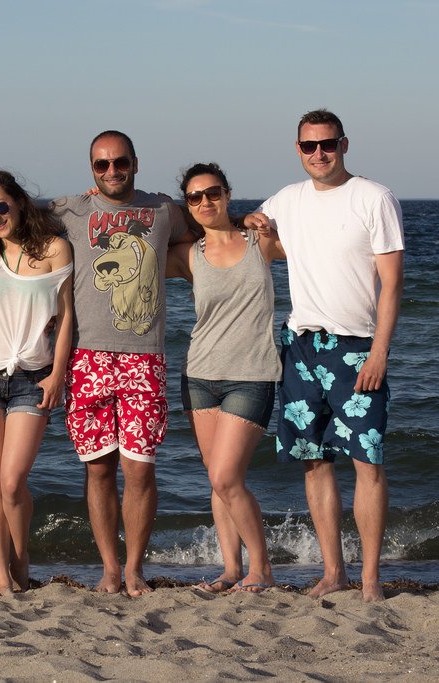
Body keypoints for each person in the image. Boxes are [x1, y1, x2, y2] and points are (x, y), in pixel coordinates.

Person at [245, 109, 404, 602]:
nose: (320, 154)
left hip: (357, 347)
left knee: (366, 461)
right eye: (310, 146)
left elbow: (393, 285)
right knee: (313, 461)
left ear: (345, 144)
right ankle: (334, 572)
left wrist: (379, 352)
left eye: (328, 144)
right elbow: (270, 249)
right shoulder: (287, 200)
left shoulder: (373, 198)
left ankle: (371, 579)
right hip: (301, 345)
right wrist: (253, 225)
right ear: (298, 149)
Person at [51, 130, 194, 596]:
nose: (111, 171)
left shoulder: (162, 210)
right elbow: (10, 223)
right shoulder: (70, 210)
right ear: (91, 169)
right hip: (86, 358)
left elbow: (209, 234)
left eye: (119, 163)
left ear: (135, 163)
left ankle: (134, 569)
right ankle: (110, 569)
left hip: (144, 358)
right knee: (98, 469)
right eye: (101, 165)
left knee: (140, 469)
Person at [165, 163, 284, 594]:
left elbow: (316, 252)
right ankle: (231, 570)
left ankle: (263, 568)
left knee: (226, 477)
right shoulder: (188, 254)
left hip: (252, 375)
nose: (204, 202)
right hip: (199, 374)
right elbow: (133, 255)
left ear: (228, 194)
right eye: (194, 197)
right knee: (216, 477)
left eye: (212, 193)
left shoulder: (260, 241)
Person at [0, 170, 73, 595]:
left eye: (1, 206)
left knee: (12, 482)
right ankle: (4, 579)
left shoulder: (57, 249)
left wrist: (58, 373)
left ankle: (20, 560)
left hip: (32, 376)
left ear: (20, 203)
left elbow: (66, 317)